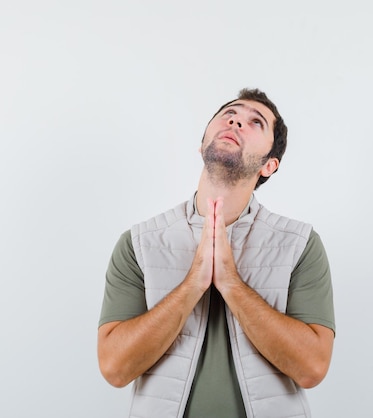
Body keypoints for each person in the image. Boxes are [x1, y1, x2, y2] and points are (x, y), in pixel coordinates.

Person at [97, 88, 335, 418]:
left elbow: (312, 368)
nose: (236, 120)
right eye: (229, 114)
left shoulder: (301, 244)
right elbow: (114, 369)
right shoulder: (138, 243)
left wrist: (231, 284)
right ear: (202, 144)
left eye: (256, 122)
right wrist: (193, 284)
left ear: (269, 165)